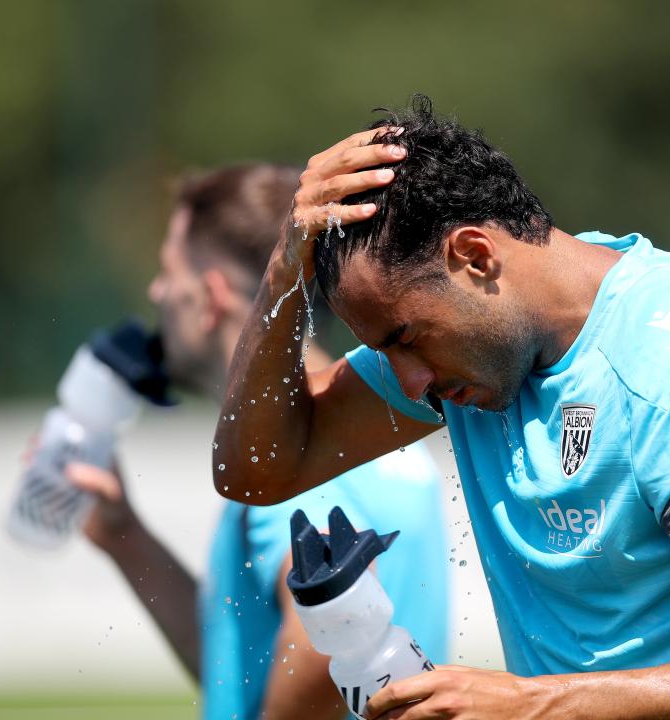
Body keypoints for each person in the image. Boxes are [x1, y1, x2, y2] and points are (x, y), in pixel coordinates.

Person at [212, 97, 670, 719]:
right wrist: (282, 272)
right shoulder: (483, 344)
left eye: (404, 339)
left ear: (475, 255)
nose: (408, 383)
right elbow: (255, 469)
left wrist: (534, 703)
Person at [64, 164, 449, 720]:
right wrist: (126, 538)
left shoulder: (283, 454)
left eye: (168, 270)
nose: (157, 291)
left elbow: (324, 648)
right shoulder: (374, 431)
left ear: (211, 296)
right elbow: (247, 672)